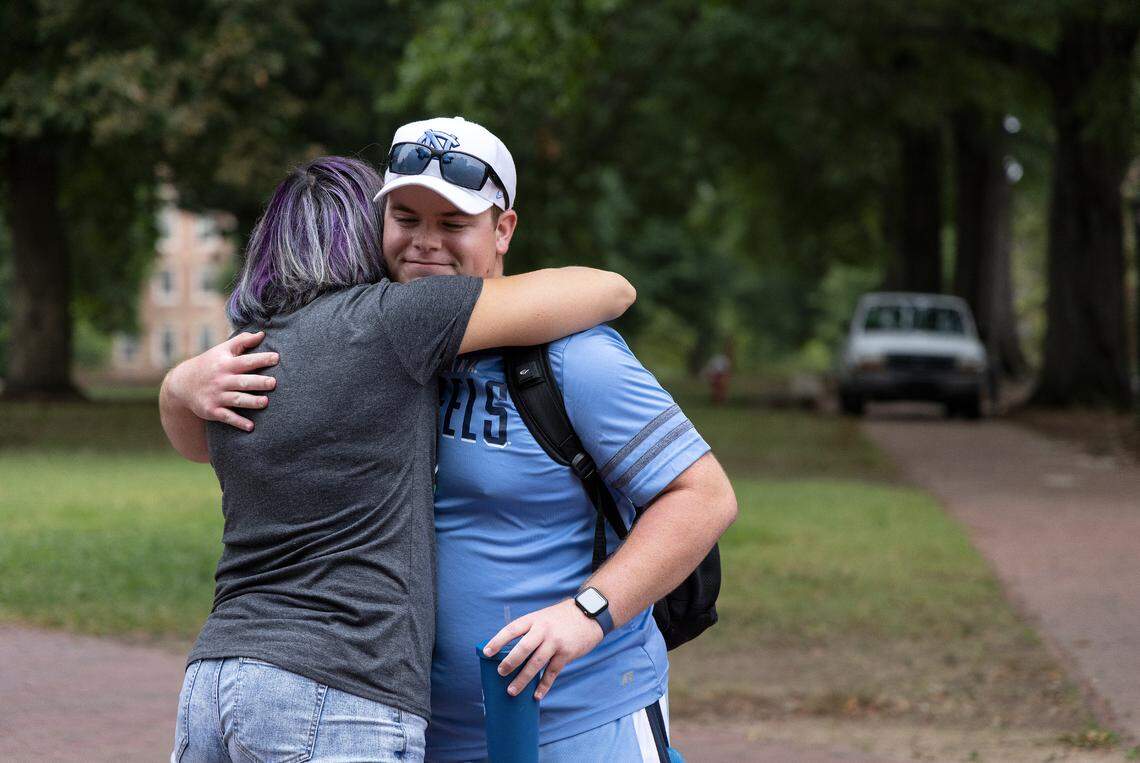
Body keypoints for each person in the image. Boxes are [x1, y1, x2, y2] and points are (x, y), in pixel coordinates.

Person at [165, 117, 738, 762]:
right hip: (409, 734)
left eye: (453, 224)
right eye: (406, 219)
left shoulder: (573, 360)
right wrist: (184, 384)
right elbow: (213, 438)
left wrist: (587, 613)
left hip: (578, 726)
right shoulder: (377, 351)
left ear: (503, 230)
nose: (424, 244)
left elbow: (703, 497)